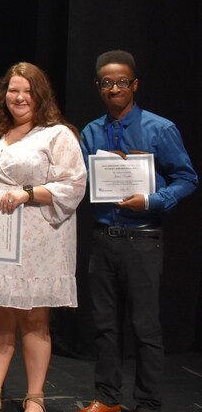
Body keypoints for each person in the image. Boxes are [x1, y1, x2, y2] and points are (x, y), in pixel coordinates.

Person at [76, 51, 197, 412]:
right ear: (99, 87)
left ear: (135, 84)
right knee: (104, 326)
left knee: (145, 328)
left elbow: (187, 178)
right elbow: (80, 180)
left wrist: (152, 201)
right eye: (107, 83)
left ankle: (147, 402)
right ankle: (108, 398)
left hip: (143, 238)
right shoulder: (91, 132)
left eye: (122, 82)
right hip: (102, 239)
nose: (115, 88)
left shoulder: (160, 129)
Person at [0, 62, 86, 412]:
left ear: (40, 95)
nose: (19, 97)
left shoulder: (57, 134)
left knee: (34, 319)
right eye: (13, 90)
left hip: (38, 238)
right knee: (0, 316)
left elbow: (74, 184)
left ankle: (35, 395)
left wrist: (28, 193)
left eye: (27, 90)